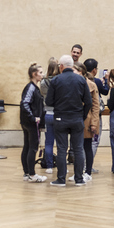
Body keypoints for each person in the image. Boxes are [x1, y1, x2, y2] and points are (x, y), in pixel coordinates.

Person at [45, 54, 92, 187]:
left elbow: (48, 101)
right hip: (77, 118)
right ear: (72, 66)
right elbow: (88, 102)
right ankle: (79, 179)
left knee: (61, 149)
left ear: (61, 66)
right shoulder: (81, 80)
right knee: (78, 149)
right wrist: (82, 115)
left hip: (61, 118)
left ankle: (61, 179)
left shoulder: (55, 80)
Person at [20, 63, 47, 183]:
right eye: (40, 72)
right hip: (31, 123)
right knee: (32, 148)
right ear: (34, 74)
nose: (42, 74)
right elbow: (25, 103)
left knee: (27, 146)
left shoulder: (34, 87)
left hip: (27, 122)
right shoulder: (31, 87)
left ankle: (27, 173)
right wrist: (33, 117)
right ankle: (31, 174)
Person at [79, 61, 100, 181]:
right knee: (77, 147)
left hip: (87, 120)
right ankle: (79, 171)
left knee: (87, 146)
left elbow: (95, 107)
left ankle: (88, 172)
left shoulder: (91, 85)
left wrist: (94, 123)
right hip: (76, 119)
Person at [85, 58, 108, 165]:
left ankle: (82, 165)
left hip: (83, 114)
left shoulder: (81, 80)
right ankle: (88, 165)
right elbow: (106, 91)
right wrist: (106, 81)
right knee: (94, 141)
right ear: (94, 70)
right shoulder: (96, 81)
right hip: (94, 114)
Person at [39, 58, 60, 174]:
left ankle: (49, 166)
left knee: (48, 142)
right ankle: (62, 166)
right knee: (61, 142)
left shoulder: (43, 82)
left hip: (47, 112)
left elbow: (43, 95)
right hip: (58, 113)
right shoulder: (59, 81)